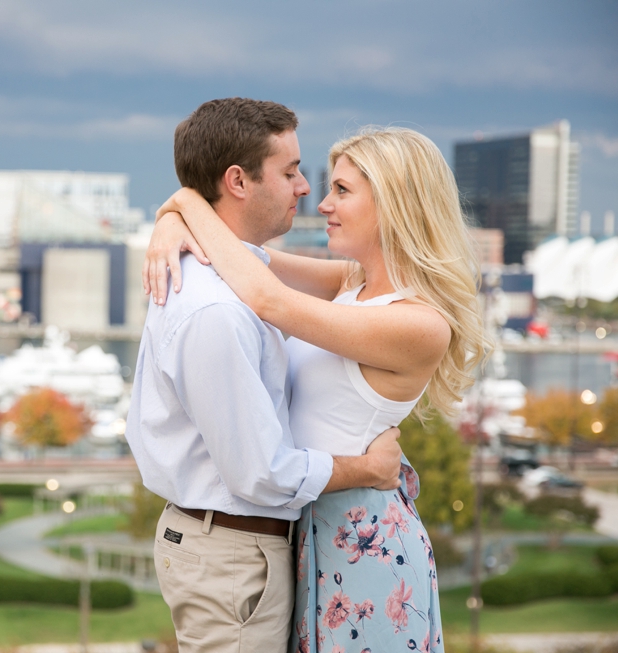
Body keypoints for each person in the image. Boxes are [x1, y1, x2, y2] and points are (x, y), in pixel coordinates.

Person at [146, 125, 487, 652]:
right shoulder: (351, 284)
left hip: (363, 546)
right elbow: (242, 258)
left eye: (343, 191)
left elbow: (268, 299)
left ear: (396, 202)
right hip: (309, 530)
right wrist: (170, 222)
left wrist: (186, 201)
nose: (321, 201)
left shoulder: (420, 324)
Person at [125, 98, 409, 653]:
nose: (306, 188)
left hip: (234, 549)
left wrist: (177, 209)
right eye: (290, 171)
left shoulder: (232, 273)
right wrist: (368, 468)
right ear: (237, 181)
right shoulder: (219, 309)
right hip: (232, 554)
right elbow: (261, 473)